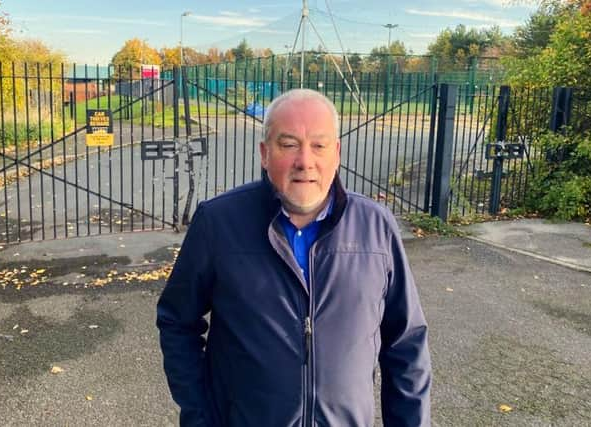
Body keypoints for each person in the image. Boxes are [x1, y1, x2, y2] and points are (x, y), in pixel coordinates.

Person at [157, 89, 431, 427]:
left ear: (337, 153)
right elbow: (177, 322)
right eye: (289, 145)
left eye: (319, 145)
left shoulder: (376, 227)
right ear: (264, 153)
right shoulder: (218, 223)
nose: (305, 161)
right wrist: (200, 417)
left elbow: (406, 343)